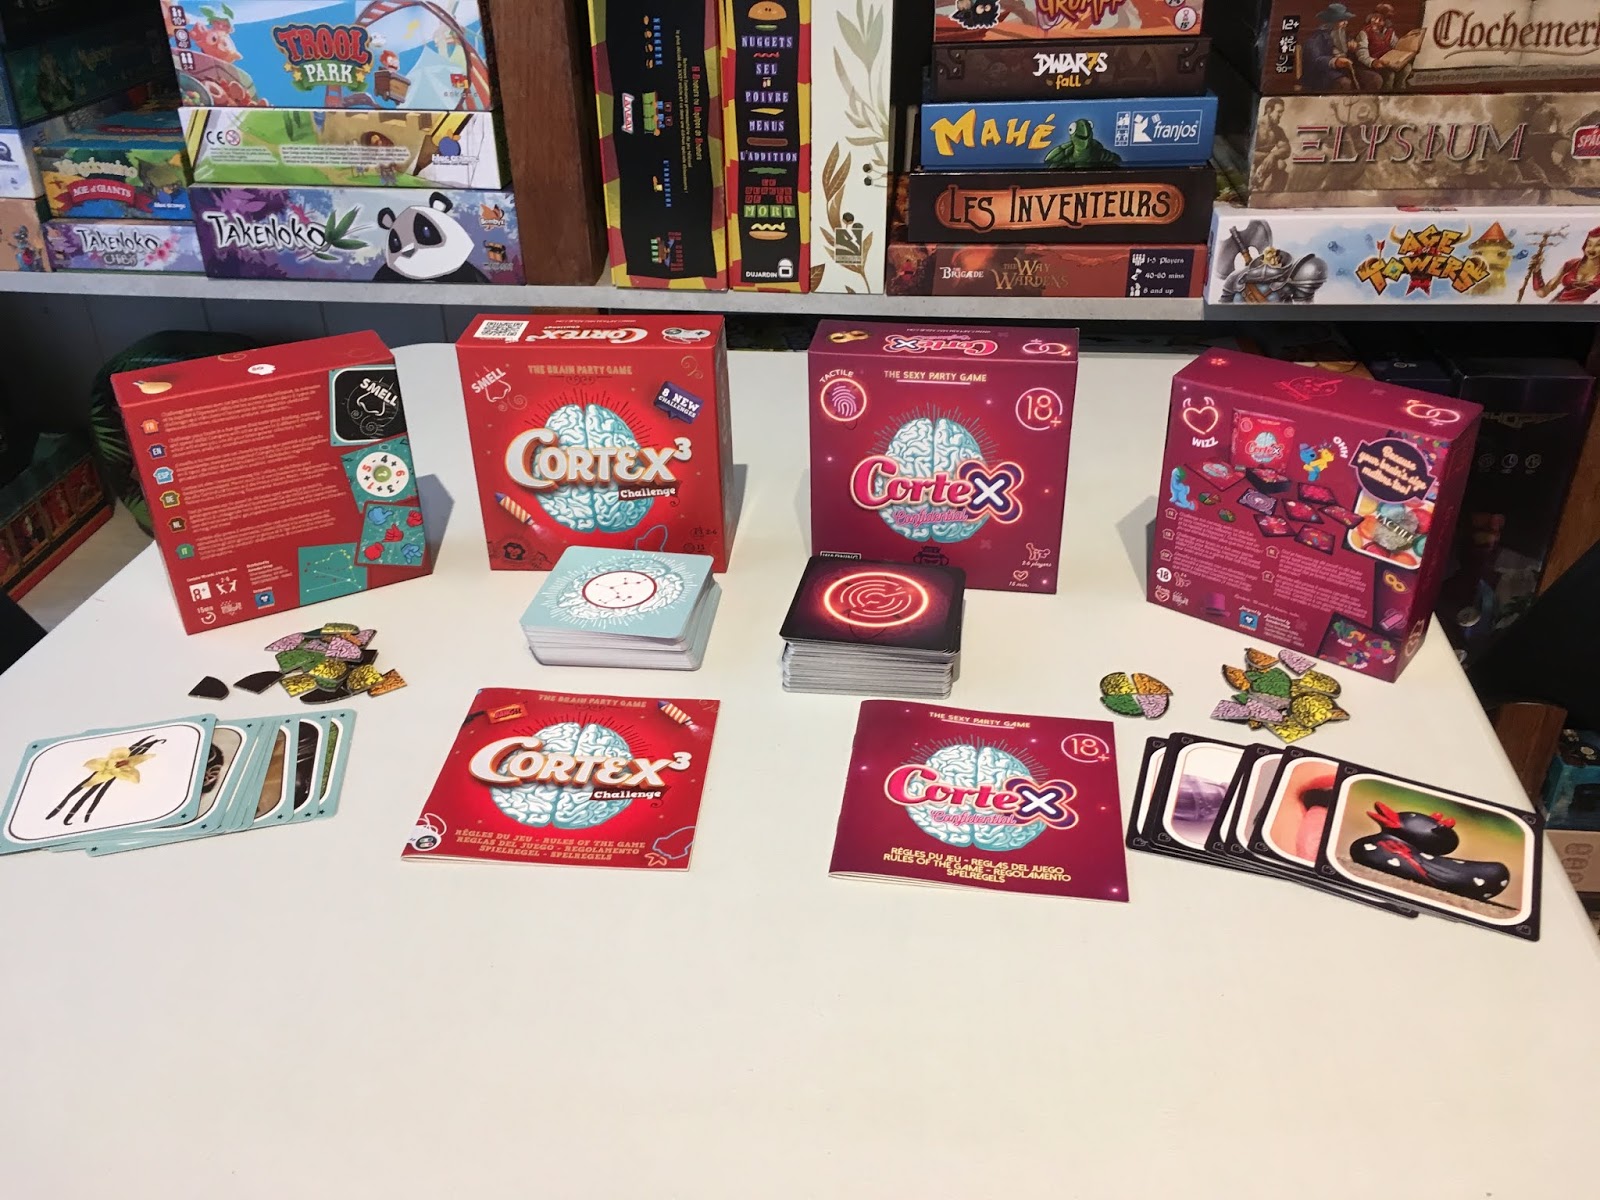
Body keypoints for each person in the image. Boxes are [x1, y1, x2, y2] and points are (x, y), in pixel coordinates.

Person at [1530, 226, 1600, 304]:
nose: (1591, 249)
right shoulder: (1571, 264)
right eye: (1589, 244)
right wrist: (1536, 271)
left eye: (1598, 245)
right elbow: (1542, 293)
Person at [1301, 4, 1358, 92]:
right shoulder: (1317, 38)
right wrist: (1335, 61)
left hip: (1345, 71)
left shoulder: (1344, 35)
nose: (1346, 23)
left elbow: (1349, 57)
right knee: (1344, 83)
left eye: (1346, 20)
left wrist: (1352, 50)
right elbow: (1314, 60)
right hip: (1323, 74)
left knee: (1373, 79)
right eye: (1342, 20)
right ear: (1331, 23)